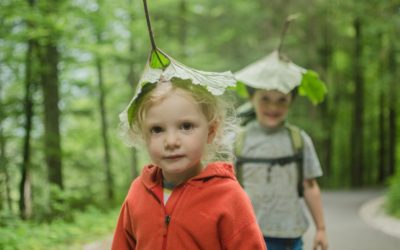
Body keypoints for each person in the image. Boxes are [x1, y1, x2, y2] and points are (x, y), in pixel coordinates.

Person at [112, 52, 267, 249]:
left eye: (186, 126)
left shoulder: (228, 197)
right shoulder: (138, 192)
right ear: (144, 136)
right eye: (157, 129)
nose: (171, 141)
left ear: (211, 131)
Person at [235, 50, 328, 250]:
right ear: (252, 98)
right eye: (265, 99)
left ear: (291, 101)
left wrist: (321, 228)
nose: (273, 107)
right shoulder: (237, 140)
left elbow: (310, 186)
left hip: (290, 235)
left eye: (281, 100)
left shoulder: (298, 140)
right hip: (248, 234)